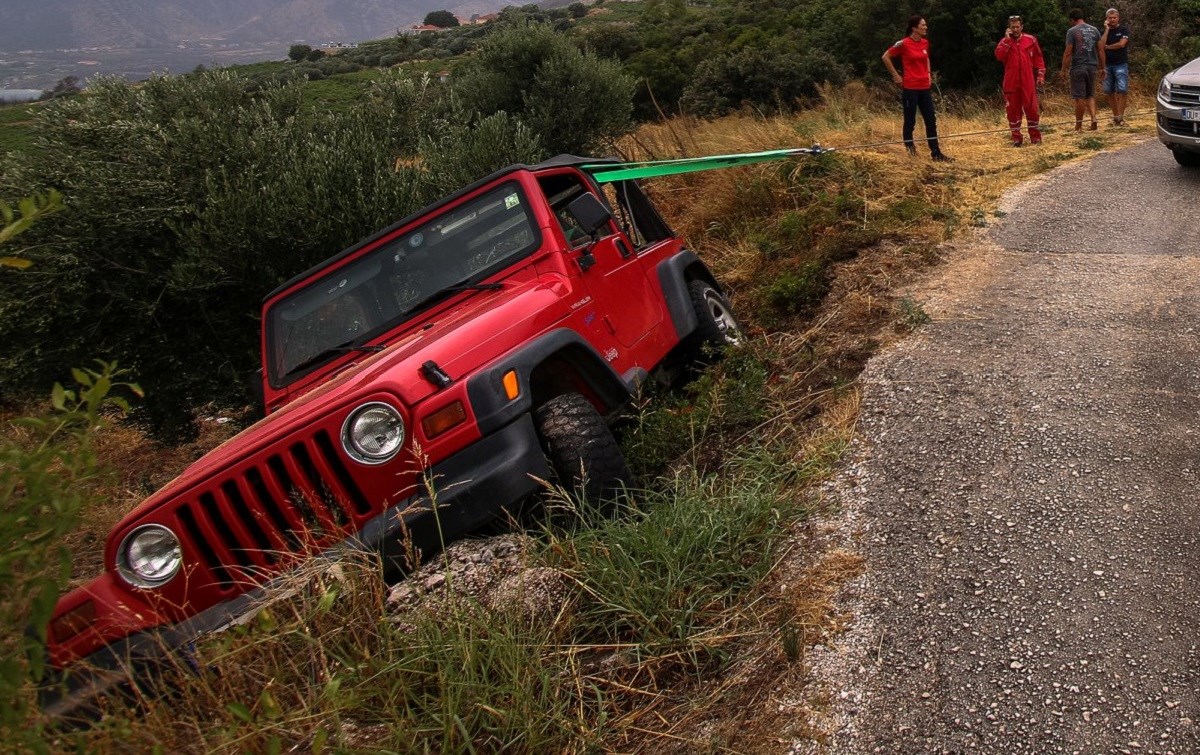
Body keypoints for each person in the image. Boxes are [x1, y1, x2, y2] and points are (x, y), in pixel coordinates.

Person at [882, 15, 954, 162]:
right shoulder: (904, 43)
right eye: (923, 25)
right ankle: (910, 151)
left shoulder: (925, 43)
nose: (926, 27)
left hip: (924, 87)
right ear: (914, 28)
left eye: (925, 25)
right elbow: (885, 56)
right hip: (910, 87)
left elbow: (926, 58)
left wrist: (928, 73)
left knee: (930, 120)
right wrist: (896, 75)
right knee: (910, 120)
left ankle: (936, 153)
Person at [995, 15, 1046, 146]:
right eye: (1013, 27)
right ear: (1009, 28)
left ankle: (1035, 137)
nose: (1016, 29)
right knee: (1012, 110)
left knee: (1032, 109)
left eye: (1018, 27)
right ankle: (1017, 138)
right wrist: (1006, 41)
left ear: (1022, 27)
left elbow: (1038, 59)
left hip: (1027, 80)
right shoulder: (1004, 42)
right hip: (1011, 81)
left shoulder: (1031, 40)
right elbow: (999, 56)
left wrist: (1040, 75)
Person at [1060, 8, 1106, 131]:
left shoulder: (1072, 31)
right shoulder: (1094, 30)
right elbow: (1100, 50)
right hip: (1092, 66)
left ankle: (1078, 125)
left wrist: (1063, 69)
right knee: (1090, 94)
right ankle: (1094, 118)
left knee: (1079, 97)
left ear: (1071, 19)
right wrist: (1103, 68)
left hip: (1078, 67)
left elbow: (1068, 52)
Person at [1100, 8, 1130, 125]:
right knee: (1109, 91)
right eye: (1110, 18)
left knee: (1122, 90)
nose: (1112, 20)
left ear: (1118, 18)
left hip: (1120, 64)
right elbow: (1101, 45)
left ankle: (1120, 117)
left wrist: (1108, 47)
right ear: (1106, 19)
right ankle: (1115, 117)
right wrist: (1106, 30)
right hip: (1107, 65)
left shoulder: (1123, 30)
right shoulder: (1103, 31)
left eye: (1114, 17)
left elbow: (1122, 44)